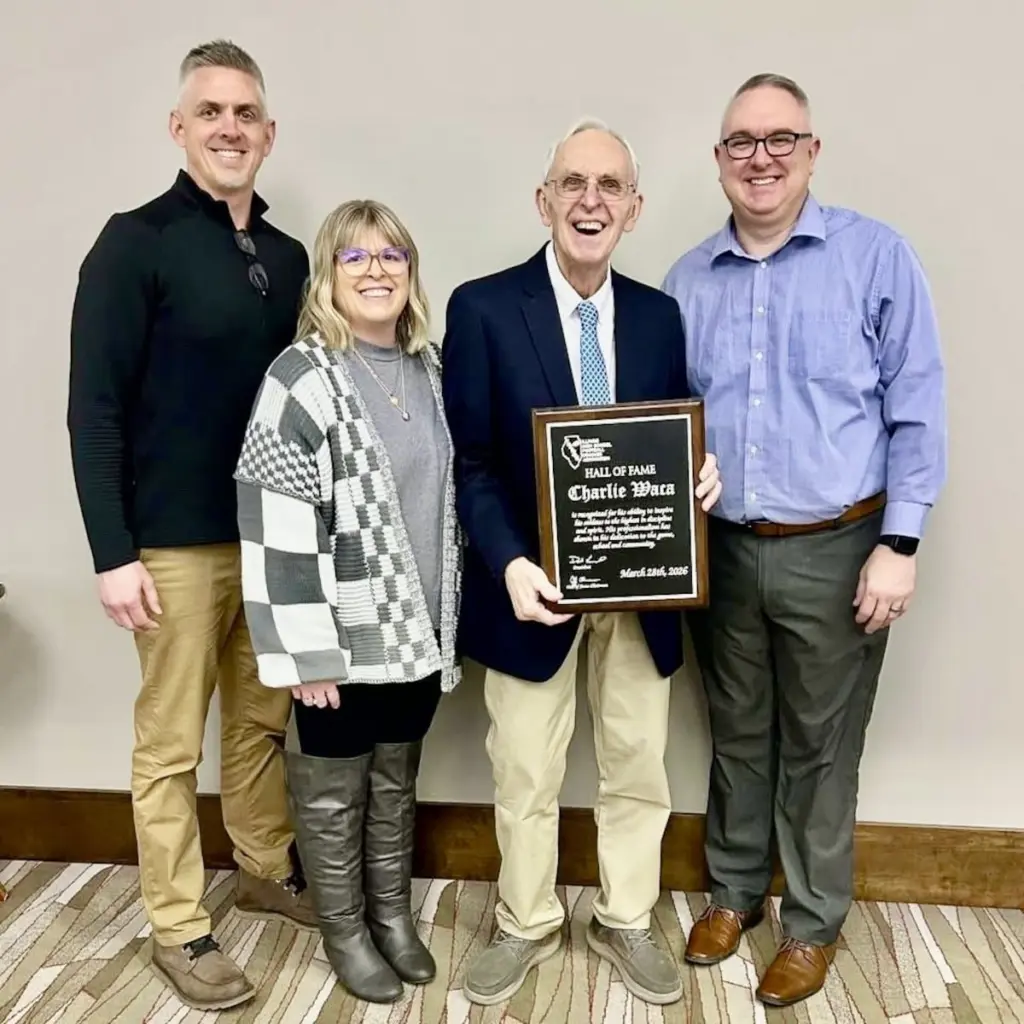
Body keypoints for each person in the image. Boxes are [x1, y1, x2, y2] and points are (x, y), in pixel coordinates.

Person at [661, 73, 947, 1007]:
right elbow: (663, 424)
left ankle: (814, 920)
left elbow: (917, 408)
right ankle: (735, 892)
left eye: (781, 138)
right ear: (718, 161)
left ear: (812, 152)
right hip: (725, 549)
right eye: (742, 141)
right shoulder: (686, 281)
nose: (762, 157)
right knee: (738, 732)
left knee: (824, 743)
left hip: (841, 545)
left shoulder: (875, 258)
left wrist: (898, 544)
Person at [441, 118, 723, 1007]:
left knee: (638, 760)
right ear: (544, 199)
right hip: (532, 591)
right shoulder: (482, 307)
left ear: (634, 209)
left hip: (640, 593)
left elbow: (659, 449)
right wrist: (511, 565)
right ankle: (525, 923)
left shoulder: (657, 315)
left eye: (609, 187)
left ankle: (626, 917)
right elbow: (472, 462)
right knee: (525, 767)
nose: (590, 201)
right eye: (573, 183)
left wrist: (695, 476)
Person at [66, 40, 315, 1011]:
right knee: (169, 743)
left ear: (268, 132)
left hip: (272, 537)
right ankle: (179, 922)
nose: (229, 127)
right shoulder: (135, 241)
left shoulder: (288, 257)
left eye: (245, 112)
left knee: (260, 720)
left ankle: (261, 863)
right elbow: (95, 408)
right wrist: (111, 552)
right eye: (210, 112)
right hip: (170, 545)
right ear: (180, 128)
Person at [234, 198, 462, 1005]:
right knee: (334, 793)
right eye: (355, 258)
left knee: (396, 779)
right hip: (339, 636)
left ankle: (392, 917)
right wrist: (303, 654)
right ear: (329, 274)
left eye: (391, 256)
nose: (376, 271)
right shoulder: (301, 376)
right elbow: (274, 519)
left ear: (411, 271)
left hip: (418, 630)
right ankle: (347, 933)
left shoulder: (432, 373)